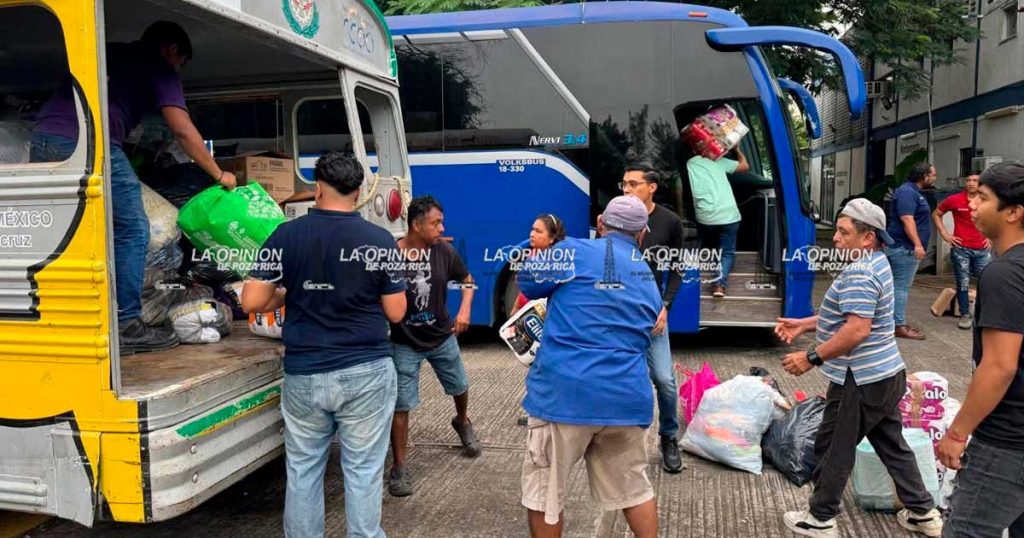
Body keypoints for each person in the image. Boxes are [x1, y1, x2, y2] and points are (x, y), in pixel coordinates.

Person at [30, 21, 237, 355]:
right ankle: (127, 324)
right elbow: (182, 129)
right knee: (133, 229)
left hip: (44, 139)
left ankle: (60, 314)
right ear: (172, 50)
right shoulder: (159, 65)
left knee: (69, 233)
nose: (177, 70)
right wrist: (219, 174)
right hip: (89, 144)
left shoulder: (109, 50)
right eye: (180, 63)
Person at [241, 152, 406, 538]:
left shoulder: (286, 235)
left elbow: (251, 302)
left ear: (317, 189)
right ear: (360, 191)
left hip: (304, 372)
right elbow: (396, 313)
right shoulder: (379, 240)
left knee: (302, 470)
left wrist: (285, 295)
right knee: (363, 471)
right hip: (365, 370)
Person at [775, 198, 942, 538]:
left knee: (833, 445)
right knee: (891, 445)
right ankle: (923, 512)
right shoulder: (876, 263)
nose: (835, 238)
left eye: (843, 232)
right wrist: (805, 324)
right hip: (886, 375)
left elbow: (857, 330)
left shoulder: (861, 273)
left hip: (861, 380)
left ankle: (820, 518)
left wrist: (811, 358)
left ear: (868, 238)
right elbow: (851, 316)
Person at [517, 195, 662, 538]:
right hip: (627, 400)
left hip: (564, 396)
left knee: (546, 494)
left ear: (601, 223)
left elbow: (527, 281)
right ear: (642, 234)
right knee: (635, 490)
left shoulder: (573, 252)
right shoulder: (647, 277)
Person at [936, 162, 1024, 538]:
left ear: (1014, 212)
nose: (972, 206)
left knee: (966, 531)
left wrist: (957, 433)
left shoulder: (1003, 274)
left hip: (1005, 441)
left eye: (983, 198)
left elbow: (1000, 366)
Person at [388, 195, 479, 498]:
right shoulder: (392, 256)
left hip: (441, 336)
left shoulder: (445, 252)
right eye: (435, 223)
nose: (442, 228)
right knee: (401, 405)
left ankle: (462, 421)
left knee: (460, 385)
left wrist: (465, 309)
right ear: (416, 224)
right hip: (404, 343)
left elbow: (468, 280)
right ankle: (400, 467)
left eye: (441, 222)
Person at [620, 162, 685, 473]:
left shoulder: (669, 222)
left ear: (652, 187)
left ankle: (669, 437)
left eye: (633, 184)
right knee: (620, 377)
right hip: (619, 312)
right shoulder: (615, 219)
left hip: (652, 311)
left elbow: (676, 269)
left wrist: (665, 305)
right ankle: (617, 437)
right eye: (624, 185)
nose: (627, 190)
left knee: (664, 380)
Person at [685, 146, 748, 298]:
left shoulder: (689, 164)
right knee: (726, 253)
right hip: (729, 215)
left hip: (705, 217)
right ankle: (719, 286)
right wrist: (737, 150)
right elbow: (745, 166)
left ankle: (687, 278)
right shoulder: (718, 161)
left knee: (700, 246)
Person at [931, 172, 992, 330]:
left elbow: (996, 218)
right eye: (969, 180)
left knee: (988, 280)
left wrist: (991, 237)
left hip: (982, 249)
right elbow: (936, 214)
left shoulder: (987, 200)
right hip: (961, 248)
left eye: (975, 180)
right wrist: (945, 234)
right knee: (962, 281)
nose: (971, 183)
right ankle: (965, 314)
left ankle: (986, 314)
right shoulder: (955, 199)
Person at [886, 162, 937, 340]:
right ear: (924, 176)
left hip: (903, 247)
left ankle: (893, 322)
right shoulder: (907, 192)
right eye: (933, 175)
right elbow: (907, 219)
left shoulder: (912, 192)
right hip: (904, 248)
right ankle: (898, 325)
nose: (934, 178)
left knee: (896, 286)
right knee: (901, 287)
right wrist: (917, 244)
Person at [511, 214, 567, 315]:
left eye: (538, 231)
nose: (532, 234)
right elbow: (521, 296)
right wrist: (514, 312)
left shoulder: (557, 264)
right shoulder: (533, 255)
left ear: (552, 238)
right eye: (532, 229)